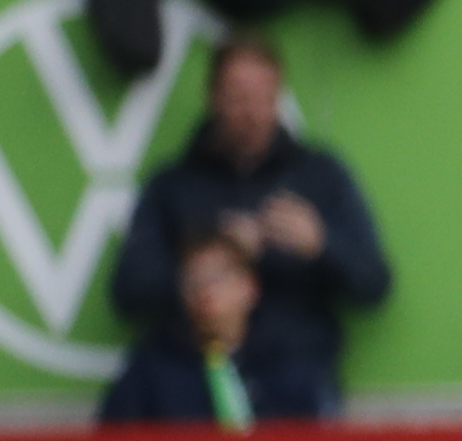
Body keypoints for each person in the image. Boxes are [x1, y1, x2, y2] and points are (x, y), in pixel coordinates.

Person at [110, 32, 387, 418]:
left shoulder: (318, 176)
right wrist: (214, 260)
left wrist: (322, 245)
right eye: (238, 97)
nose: (251, 112)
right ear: (212, 98)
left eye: (263, 98)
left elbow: (374, 284)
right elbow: (129, 291)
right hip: (191, 385)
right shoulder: (174, 185)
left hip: (298, 382)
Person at [98, 216, 273, 426]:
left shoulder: (283, 368)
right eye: (193, 281)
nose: (205, 293)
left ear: (250, 286)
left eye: (217, 279)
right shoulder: (149, 373)